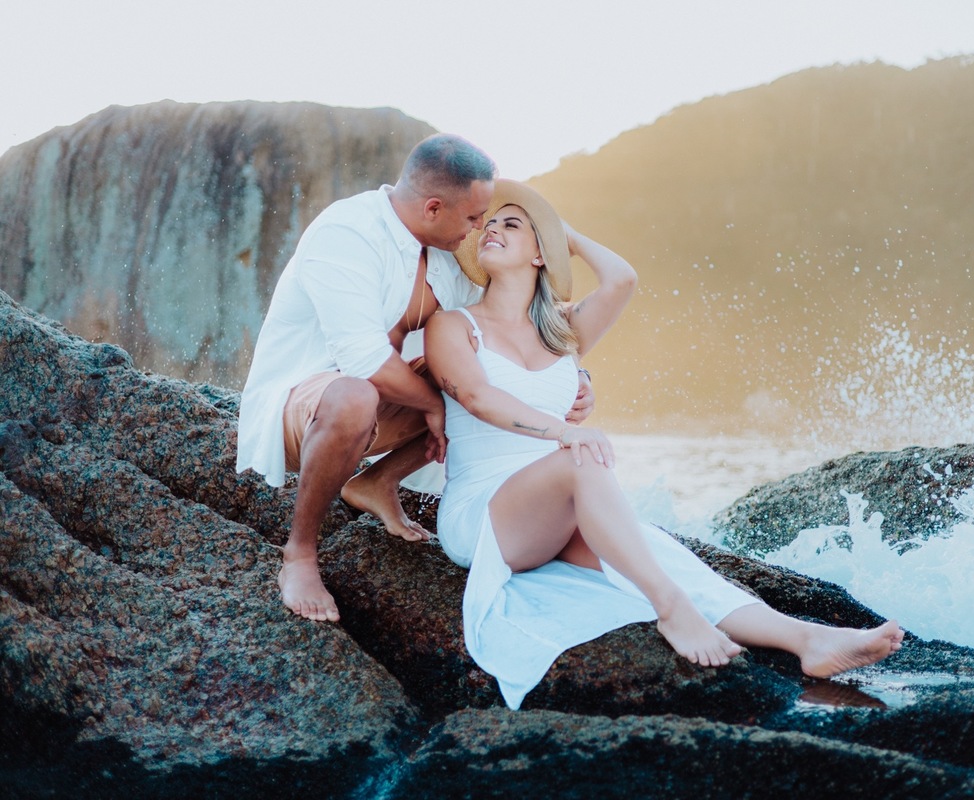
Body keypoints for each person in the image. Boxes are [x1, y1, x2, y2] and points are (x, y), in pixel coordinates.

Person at [424, 180, 904, 709]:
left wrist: (566, 236)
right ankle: (672, 609)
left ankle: (805, 639)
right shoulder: (454, 325)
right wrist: (563, 430)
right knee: (583, 463)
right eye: (489, 224)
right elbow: (476, 395)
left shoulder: (562, 331)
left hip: (552, 509)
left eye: (511, 224)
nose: (492, 228)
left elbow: (622, 279)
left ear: (541, 253)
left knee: (656, 550)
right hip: (484, 515)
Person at [236, 134, 595, 623]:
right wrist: (431, 404)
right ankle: (299, 554)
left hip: (381, 407)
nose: (477, 230)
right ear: (432, 207)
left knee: (477, 373)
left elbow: (512, 327)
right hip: (304, 407)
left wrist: (576, 376)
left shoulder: (446, 257)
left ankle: (376, 482)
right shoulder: (348, 231)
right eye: (472, 217)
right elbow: (361, 358)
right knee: (355, 395)